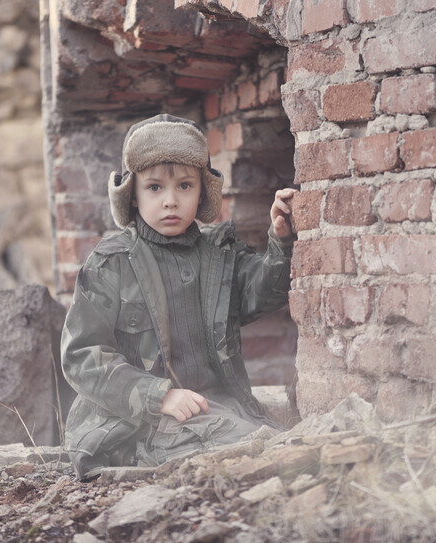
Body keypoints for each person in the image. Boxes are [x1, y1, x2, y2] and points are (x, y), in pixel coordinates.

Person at [61, 114, 296, 480]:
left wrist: (281, 239)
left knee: (271, 443)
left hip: (216, 407)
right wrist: (159, 396)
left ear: (202, 192)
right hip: (137, 423)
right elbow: (81, 357)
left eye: (185, 186)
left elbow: (260, 294)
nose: (170, 201)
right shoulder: (112, 263)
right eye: (155, 188)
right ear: (133, 196)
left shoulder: (219, 253)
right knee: (267, 449)